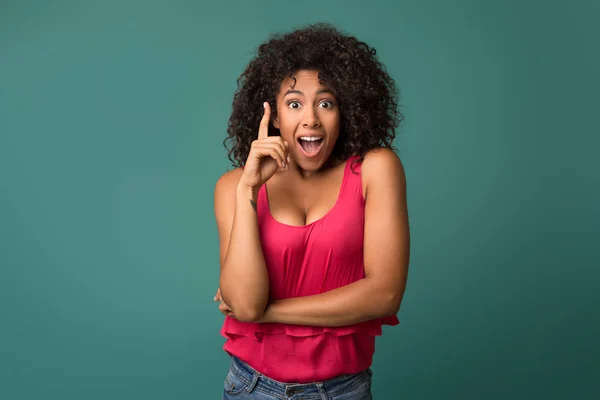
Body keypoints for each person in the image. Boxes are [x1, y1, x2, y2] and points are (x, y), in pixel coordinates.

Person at [213, 23, 410, 399]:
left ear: (345, 109)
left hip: (342, 390)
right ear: (271, 116)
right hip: (251, 387)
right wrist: (248, 192)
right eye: (293, 103)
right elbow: (246, 302)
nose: (311, 119)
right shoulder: (233, 187)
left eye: (325, 102)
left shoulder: (375, 169)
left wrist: (270, 313)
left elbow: (384, 295)